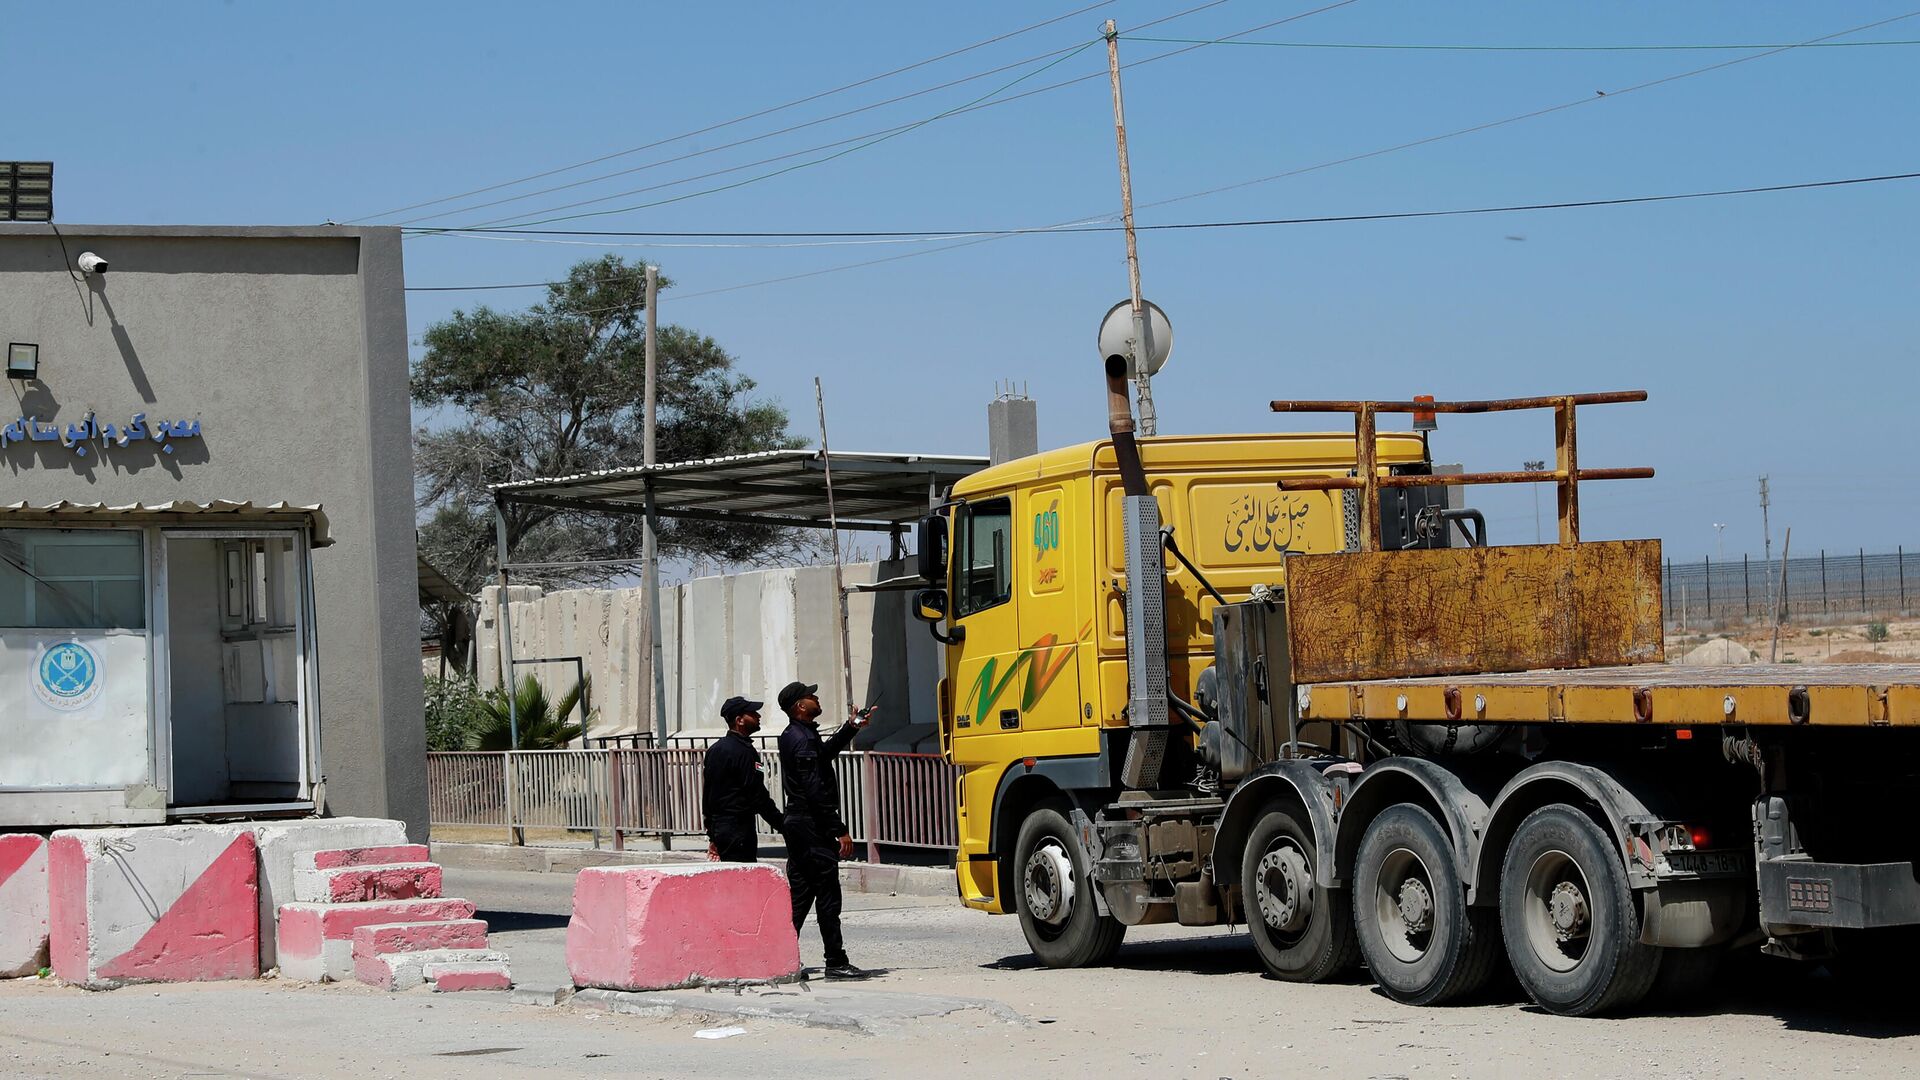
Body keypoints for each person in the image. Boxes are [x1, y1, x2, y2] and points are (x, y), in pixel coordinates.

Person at [775, 680, 874, 980]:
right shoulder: (801, 739)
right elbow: (813, 788)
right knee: (827, 897)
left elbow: (824, 755)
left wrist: (851, 728)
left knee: (801, 896)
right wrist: (838, 828)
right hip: (811, 825)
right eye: (810, 695)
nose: (816, 698)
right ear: (800, 706)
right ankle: (835, 961)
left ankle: (779, 959)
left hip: (803, 824)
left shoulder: (800, 735)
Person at [702, 696, 783, 863]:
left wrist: (713, 835)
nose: (758, 716)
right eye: (752, 713)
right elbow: (756, 793)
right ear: (739, 720)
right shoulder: (744, 752)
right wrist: (782, 824)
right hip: (738, 829)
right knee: (742, 879)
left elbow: (708, 797)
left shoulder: (715, 750)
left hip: (721, 829)